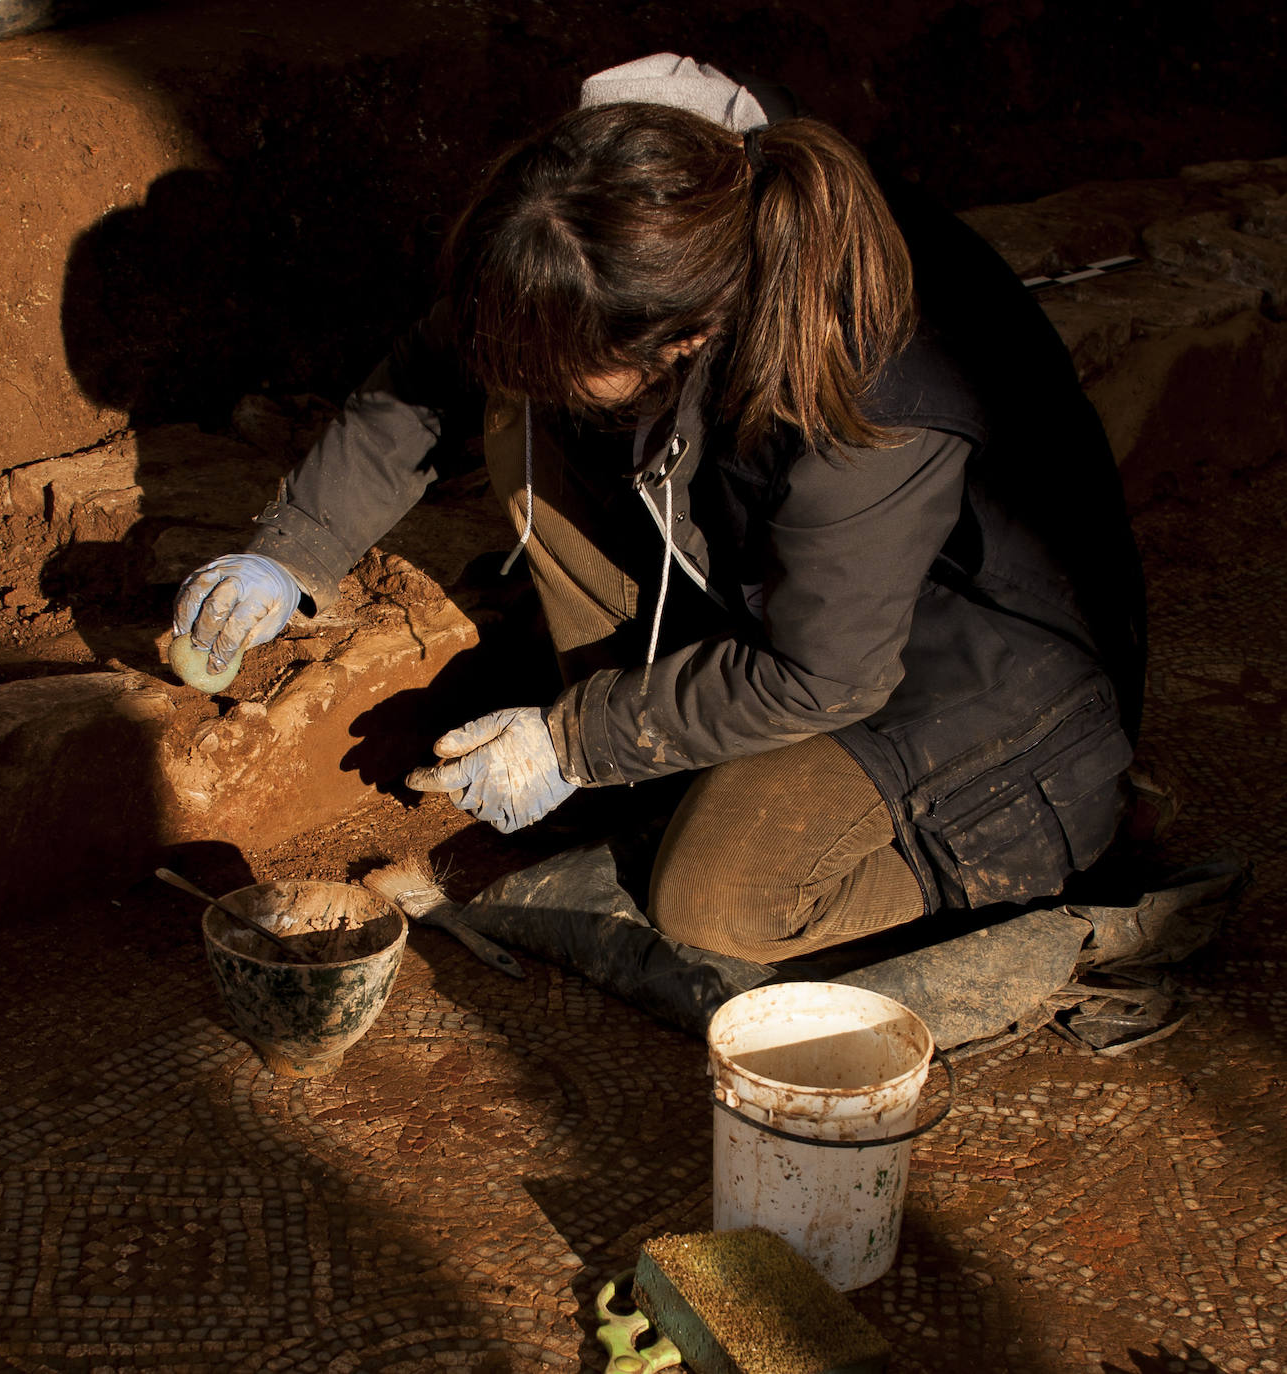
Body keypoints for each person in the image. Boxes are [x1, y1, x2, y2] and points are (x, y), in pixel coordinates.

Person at [174, 55, 1145, 965]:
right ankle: (650, 784)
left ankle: (1047, 851)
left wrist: (577, 741)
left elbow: (827, 674)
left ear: (681, 339)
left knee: (715, 903)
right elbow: (441, 361)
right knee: (521, 405)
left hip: (971, 658)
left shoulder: (863, 382)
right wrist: (294, 551)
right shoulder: (623, 198)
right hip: (786, 578)